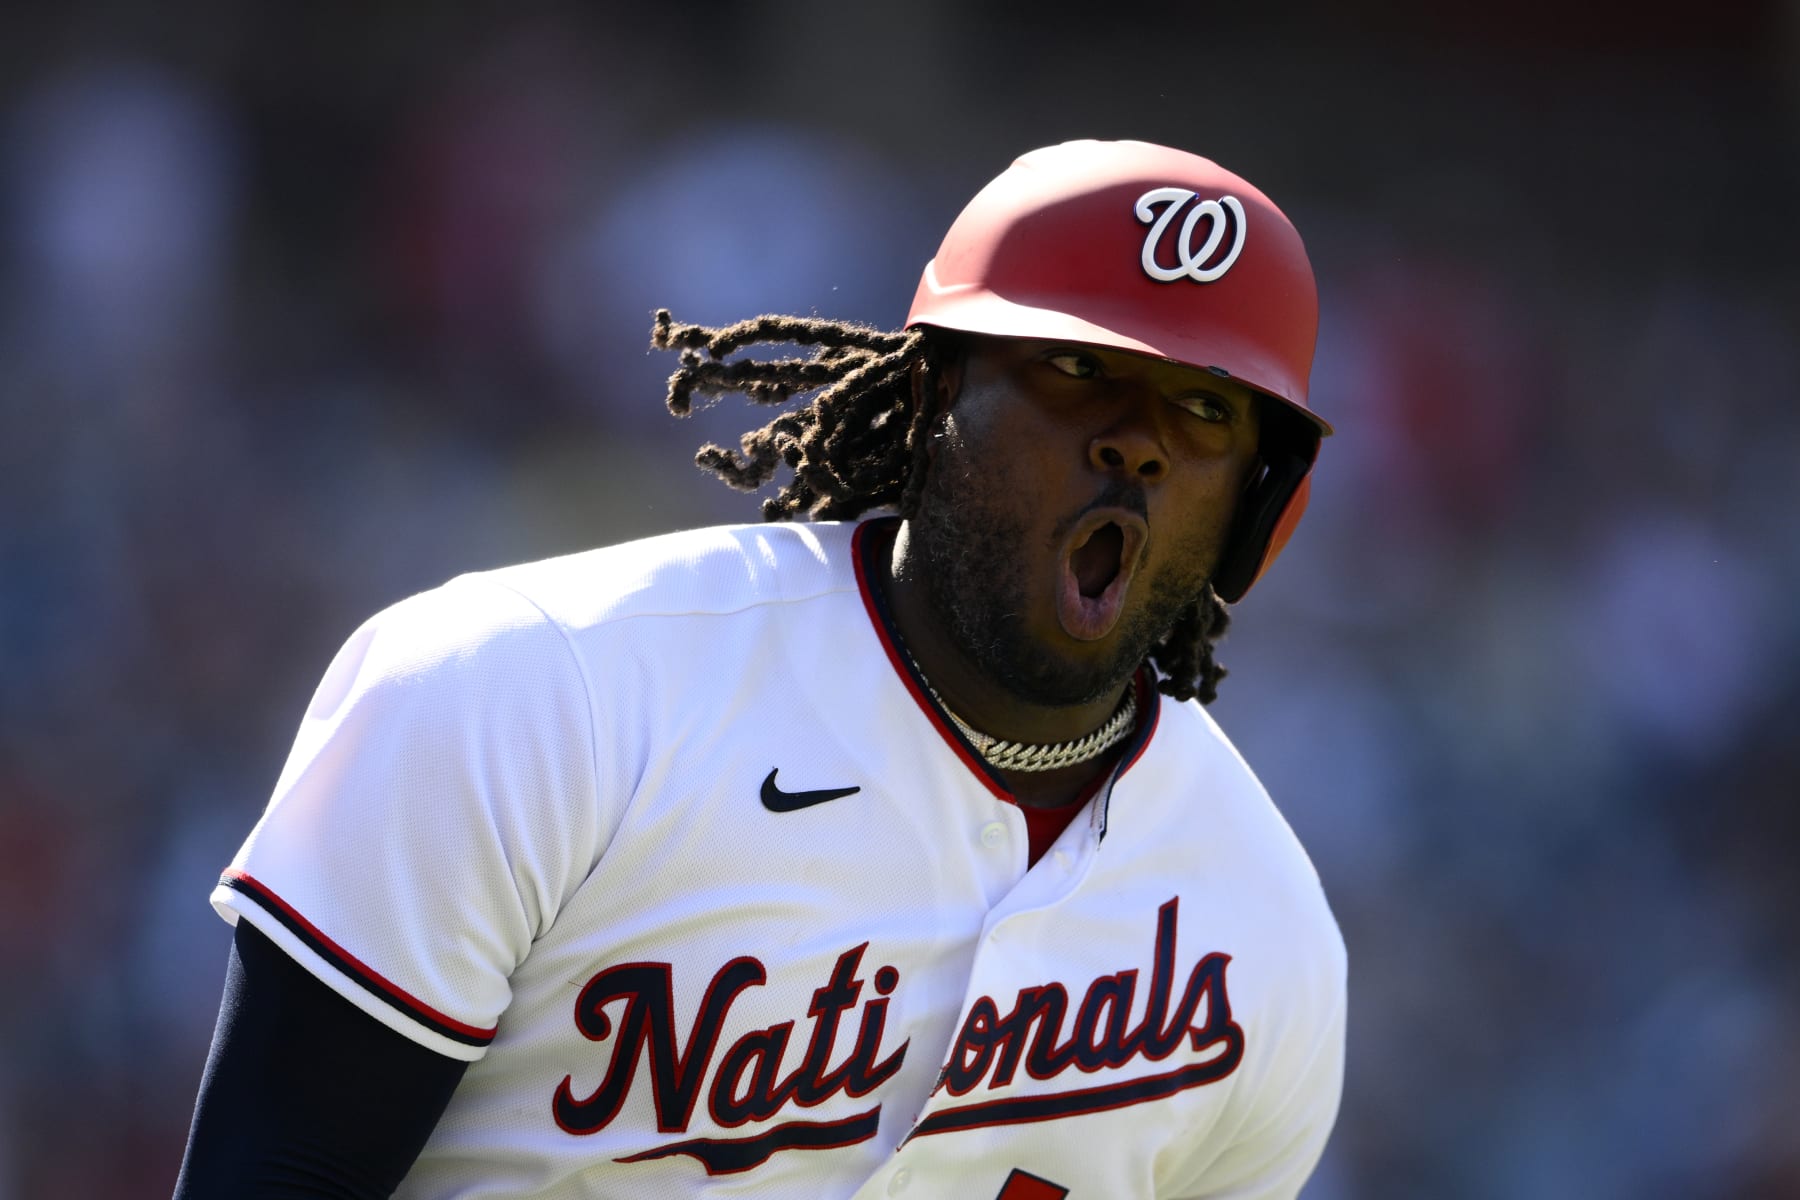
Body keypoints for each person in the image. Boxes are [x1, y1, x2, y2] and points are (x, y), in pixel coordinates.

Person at [173, 138, 1345, 1199]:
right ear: (936, 388)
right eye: (1077, 370)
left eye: (1202, 408)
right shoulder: (537, 693)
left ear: (1258, 508)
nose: (1134, 442)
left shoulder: (1269, 938)